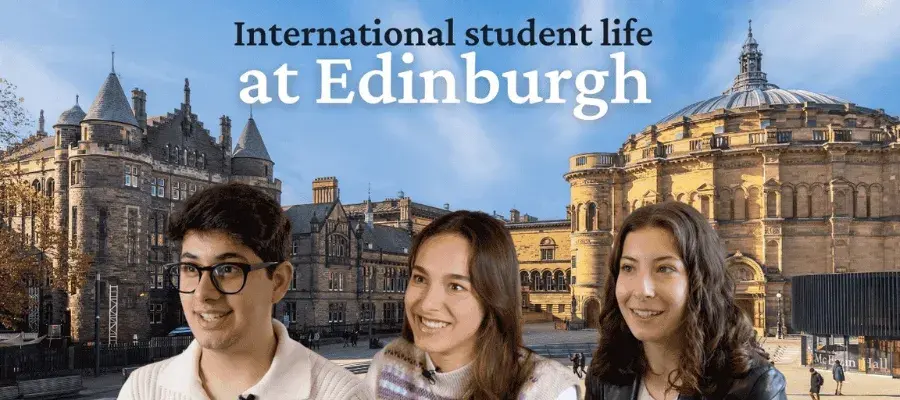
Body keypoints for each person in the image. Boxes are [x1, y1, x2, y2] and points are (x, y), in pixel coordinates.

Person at [118, 183, 371, 400]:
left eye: (227, 269)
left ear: (278, 282)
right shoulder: (141, 390)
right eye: (191, 268)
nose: (203, 293)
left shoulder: (343, 395)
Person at [365, 210, 580, 399]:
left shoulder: (546, 390)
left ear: (493, 297)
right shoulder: (388, 366)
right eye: (420, 279)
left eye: (456, 286)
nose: (428, 304)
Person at [585, 201, 787, 400]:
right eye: (628, 267)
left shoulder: (755, 388)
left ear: (702, 280)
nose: (642, 291)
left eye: (664, 269)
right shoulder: (605, 374)